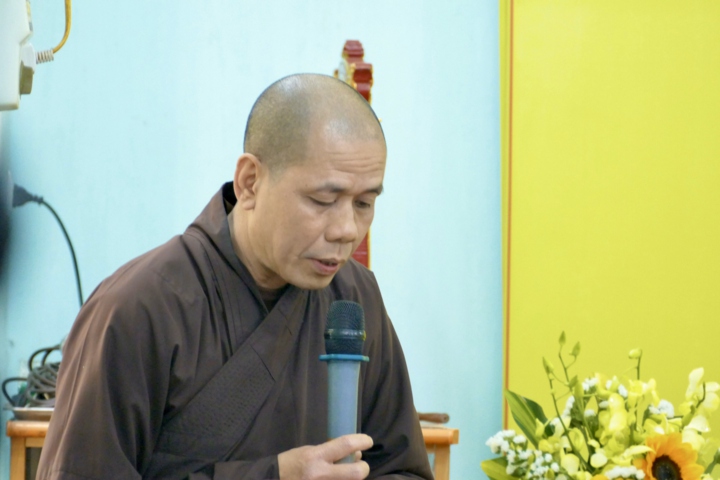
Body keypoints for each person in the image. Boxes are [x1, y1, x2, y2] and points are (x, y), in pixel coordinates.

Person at [36, 74, 433, 480]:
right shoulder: (137, 308)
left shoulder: (353, 298)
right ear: (250, 183)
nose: (347, 229)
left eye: (364, 203)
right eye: (323, 200)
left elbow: (402, 470)